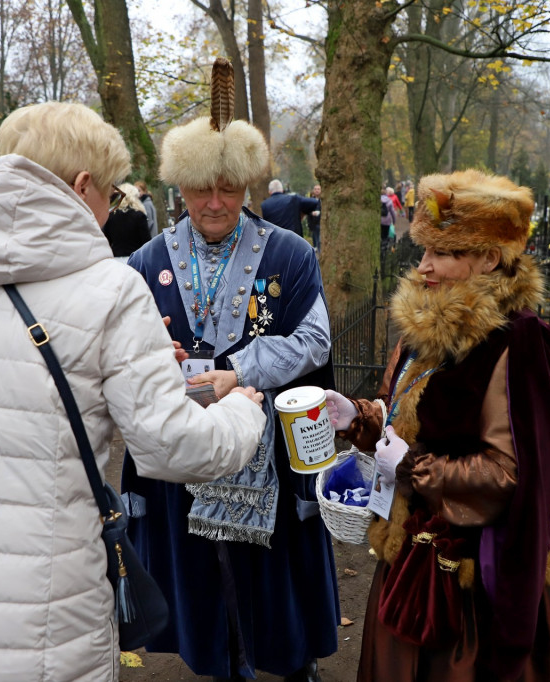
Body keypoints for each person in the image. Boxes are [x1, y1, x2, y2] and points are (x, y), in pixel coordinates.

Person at [0, 101, 268, 682]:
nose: (110, 212)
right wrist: (243, 412)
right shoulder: (111, 289)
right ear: (83, 185)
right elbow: (174, 449)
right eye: (112, 196)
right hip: (42, 627)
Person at [122, 58, 339, 682]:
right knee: (199, 565)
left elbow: (316, 340)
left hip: (265, 440)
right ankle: (222, 663)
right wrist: (150, 357)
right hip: (180, 443)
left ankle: (292, 663)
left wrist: (239, 369)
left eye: (227, 188)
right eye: (199, 188)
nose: (214, 203)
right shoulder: (145, 262)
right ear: (178, 186)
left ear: (246, 185)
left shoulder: (291, 253)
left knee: (270, 571)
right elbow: (126, 348)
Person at [326, 169, 550, 682]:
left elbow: (513, 477)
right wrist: (364, 419)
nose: (424, 267)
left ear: (488, 257)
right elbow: (408, 417)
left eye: (442, 253)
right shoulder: (427, 325)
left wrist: (413, 467)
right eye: (424, 250)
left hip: (474, 592)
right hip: (410, 567)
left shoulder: (522, 346)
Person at [103, 181, 152, 259]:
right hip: (136, 259)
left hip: (116, 259)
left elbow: (106, 240)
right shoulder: (139, 216)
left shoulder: (111, 215)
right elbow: (147, 242)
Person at [306, 183, 322, 254]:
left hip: (321, 222)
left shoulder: (323, 200)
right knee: (315, 237)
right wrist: (311, 213)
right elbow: (306, 210)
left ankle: (319, 251)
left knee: (319, 238)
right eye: (315, 189)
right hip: (313, 222)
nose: (317, 191)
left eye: (318, 189)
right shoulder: (310, 200)